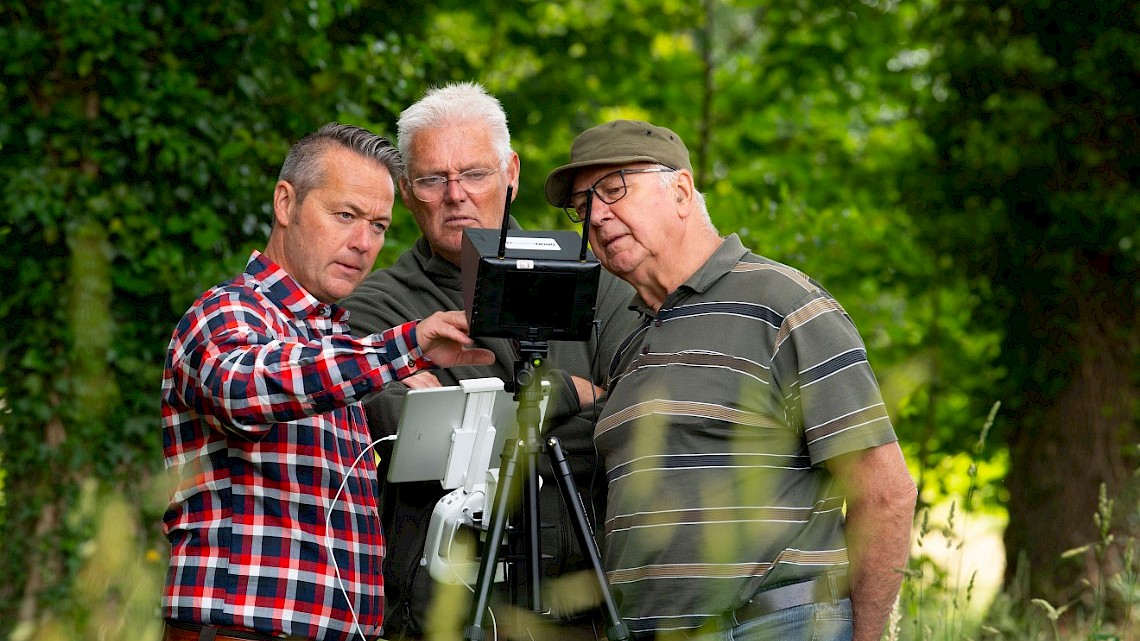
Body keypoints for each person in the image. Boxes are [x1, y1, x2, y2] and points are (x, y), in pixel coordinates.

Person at [543, 119, 918, 641]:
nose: (597, 217)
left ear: (680, 190)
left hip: (772, 624)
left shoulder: (783, 306)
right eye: (583, 208)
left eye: (613, 190)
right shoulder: (629, 343)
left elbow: (886, 493)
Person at [160, 122, 495, 641]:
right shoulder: (227, 313)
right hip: (241, 628)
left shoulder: (335, 348)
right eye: (345, 215)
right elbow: (244, 390)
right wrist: (404, 347)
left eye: (379, 226)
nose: (363, 243)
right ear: (285, 203)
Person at [338, 83, 640, 639]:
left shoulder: (599, 285)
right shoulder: (375, 309)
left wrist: (476, 409)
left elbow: (636, 418)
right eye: (433, 178)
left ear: (512, 173)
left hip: (583, 608)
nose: (456, 195)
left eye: (474, 173)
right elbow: (408, 433)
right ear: (408, 192)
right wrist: (570, 396)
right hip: (442, 614)